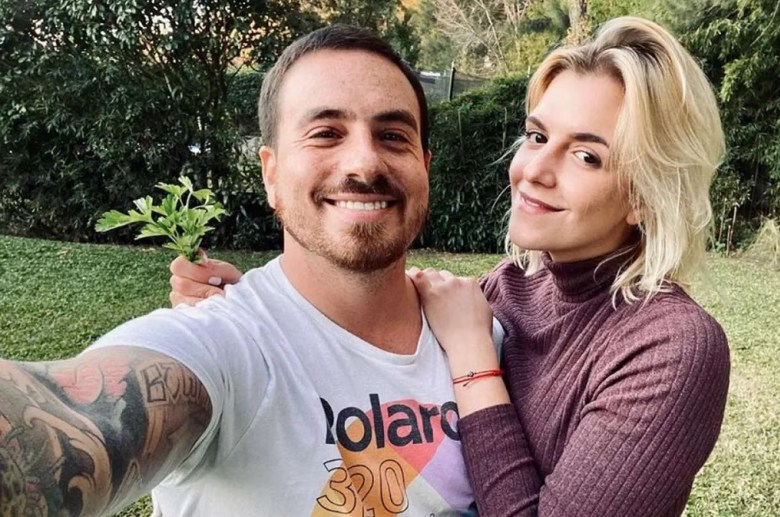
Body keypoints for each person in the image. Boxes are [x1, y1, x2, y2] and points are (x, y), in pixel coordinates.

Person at [171, 16, 731, 516]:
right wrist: (255, 308)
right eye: (537, 136)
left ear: (645, 194)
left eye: (587, 156)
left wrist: (472, 357)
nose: (535, 170)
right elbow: (369, 307)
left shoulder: (671, 347)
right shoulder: (507, 288)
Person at [0, 25, 498, 516]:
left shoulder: (484, 336)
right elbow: (71, 414)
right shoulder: (224, 343)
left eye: (392, 136)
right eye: (326, 134)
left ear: (425, 166)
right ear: (271, 173)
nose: (365, 164)